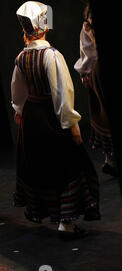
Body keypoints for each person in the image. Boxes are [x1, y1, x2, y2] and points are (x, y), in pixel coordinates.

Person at [11, 1, 100, 239]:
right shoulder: (51, 56)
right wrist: (72, 125)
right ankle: (66, 223)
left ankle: (57, 218)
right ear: (43, 27)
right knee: (67, 166)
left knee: (44, 166)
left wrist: (19, 111)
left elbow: (18, 93)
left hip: (32, 118)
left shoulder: (21, 57)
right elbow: (61, 92)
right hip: (50, 117)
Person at [74, 2, 117, 177]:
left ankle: (110, 159)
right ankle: (111, 160)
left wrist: (85, 73)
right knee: (105, 115)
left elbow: (87, 54)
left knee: (104, 115)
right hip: (99, 72)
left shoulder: (87, 26)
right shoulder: (88, 26)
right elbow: (89, 53)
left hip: (98, 72)